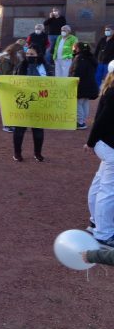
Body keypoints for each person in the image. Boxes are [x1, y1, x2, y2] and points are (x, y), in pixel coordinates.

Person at [84, 59, 114, 246]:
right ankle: (103, 233)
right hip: (110, 145)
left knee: (100, 183)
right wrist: (91, 141)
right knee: (108, 190)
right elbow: (102, 120)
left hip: (105, 145)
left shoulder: (109, 90)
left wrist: (92, 142)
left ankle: (95, 222)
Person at [11, 45, 47, 162]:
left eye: (32, 54)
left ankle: (38, 153)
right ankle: (17, 153)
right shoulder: (20, 66)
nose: (29, 56)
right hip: (23, 101)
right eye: (27, 54)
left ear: (38, 55)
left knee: (38, 130)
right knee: (19, 129)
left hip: (40, 102)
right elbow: (13, 81)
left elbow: (54, 82)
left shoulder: (45, 66)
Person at [70, 42, 98, 130]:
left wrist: (72, 80)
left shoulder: (79, 58)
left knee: (78, 103)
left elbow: (77, 71)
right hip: (90, 83)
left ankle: (80, 122)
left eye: (74, 47)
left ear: (78, 48)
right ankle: (82, 121)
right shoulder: (90, 57)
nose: (73, 49)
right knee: (85, 102)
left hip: (81, 84)